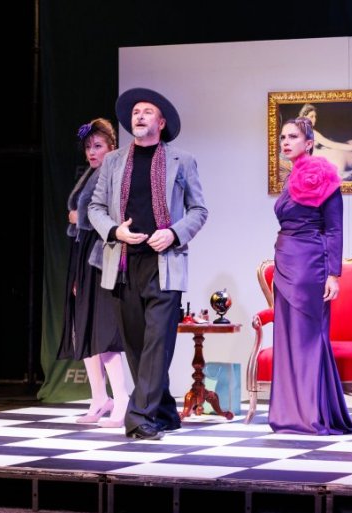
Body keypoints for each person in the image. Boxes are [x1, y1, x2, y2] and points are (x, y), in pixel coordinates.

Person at [88, 88, 208, 440]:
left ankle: (139, 418)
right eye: (135, 112)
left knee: (157, 343)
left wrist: (173, 233)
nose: (139, 116)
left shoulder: (181, 160)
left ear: (161, 122)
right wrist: (115, 231)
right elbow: (95, 208)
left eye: (147, 111)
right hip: (124, 265)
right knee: (138, 346)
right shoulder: (113, 161)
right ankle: (165, 411)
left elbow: (199, 210)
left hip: (164, 263)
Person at [269, 116, 352, 435]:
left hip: (309, 264)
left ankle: (311, 414)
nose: (286, 142)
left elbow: (334, 228)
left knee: (308, 338)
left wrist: (333, 275)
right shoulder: (290, 176)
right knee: (288, 338)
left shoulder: (322, 175)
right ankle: (291, 413)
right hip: (286, 261)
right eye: (283, 137)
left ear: (309, 143)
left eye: (293, 137)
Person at [57, 118, 130, 429]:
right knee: (83, 327)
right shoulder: (91, 174)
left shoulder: (114, 174)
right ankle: (99, 397)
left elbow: (111, 216)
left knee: (104, 330)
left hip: (102, 255)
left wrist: (80, 218)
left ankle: (122, 398)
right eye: (88, 147)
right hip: (82, 254)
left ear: (111, 147)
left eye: (98, 146)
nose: (92, 152)